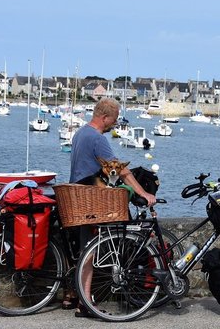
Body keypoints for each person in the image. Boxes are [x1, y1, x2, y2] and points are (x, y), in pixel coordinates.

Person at [68, 97, 156, 317]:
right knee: (90, 250)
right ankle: (86, 302)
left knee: (84, 248)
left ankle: (75, 296)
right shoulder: (97, 138)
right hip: (92, 198)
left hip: (78, 195)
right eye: (114, 120)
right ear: (104, 117)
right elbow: (122, 171)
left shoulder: (80, 133)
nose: (114, 124)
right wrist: (142, 193)